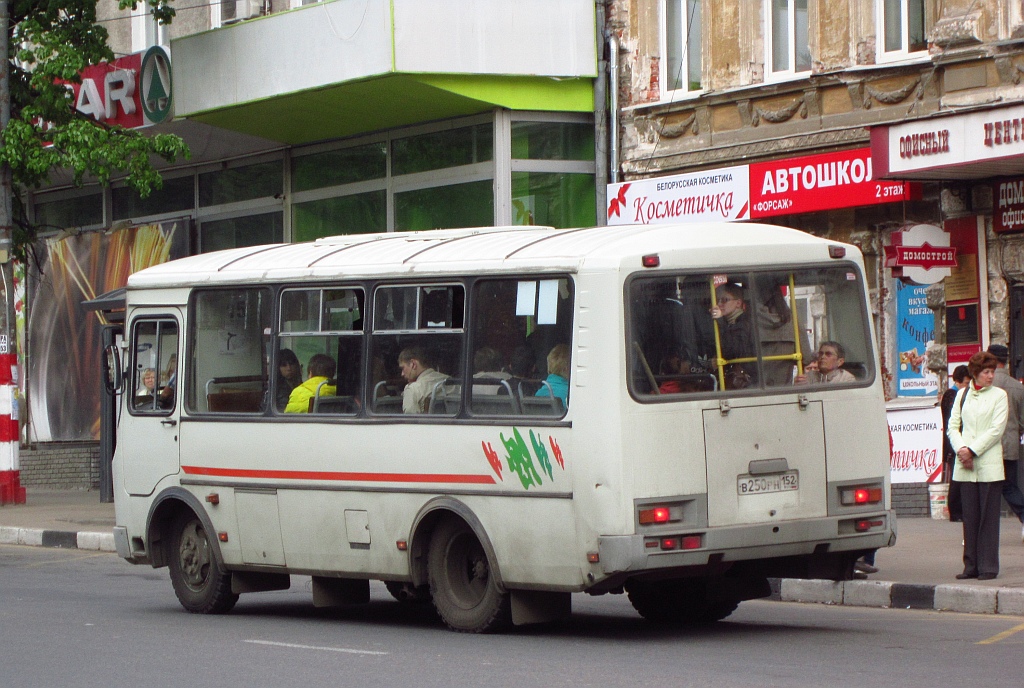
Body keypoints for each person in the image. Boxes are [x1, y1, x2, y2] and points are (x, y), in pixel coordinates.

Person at [948, 350, 1008, 581]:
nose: (991, 376)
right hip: (965, 466)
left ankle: (988, 566)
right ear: (975, 373)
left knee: (988, 519)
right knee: (970, 518)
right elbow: (953, 426)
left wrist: (972, 450)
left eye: (992, 372)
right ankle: (970, 565)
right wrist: (962, 449)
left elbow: (996, 430)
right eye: (986, 372)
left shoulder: (999, 396)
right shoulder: (962, 395)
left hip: (988, 465)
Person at [986, 344, 1024, 542]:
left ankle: (980, 532)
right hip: (1009, 445)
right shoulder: (1017, 386)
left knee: (987, 489)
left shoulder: (985, 385)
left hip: (986, 447)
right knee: (1009, 485)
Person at [710, 283, 756, 388]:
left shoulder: (745, 323)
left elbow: (735, 350)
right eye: (718, 300)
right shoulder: (730, 323)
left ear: (738, 303)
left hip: (746, 380)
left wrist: (720, 321)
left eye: (724, 300)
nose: (719, 304)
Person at [940, 365, 971, 522]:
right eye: (966, 383)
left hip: (959, 442)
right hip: (953, 444)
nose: (967, 386)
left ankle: (960, 510)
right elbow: (952, 422)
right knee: (955, 478)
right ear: (958, 381)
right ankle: (955, 511)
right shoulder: (951, 395)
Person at [398, 346, 448, 414]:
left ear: (413, 364)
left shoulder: (412, 389)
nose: (402, 374)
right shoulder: (451, 382)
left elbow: (410, 422)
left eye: (403, 368)